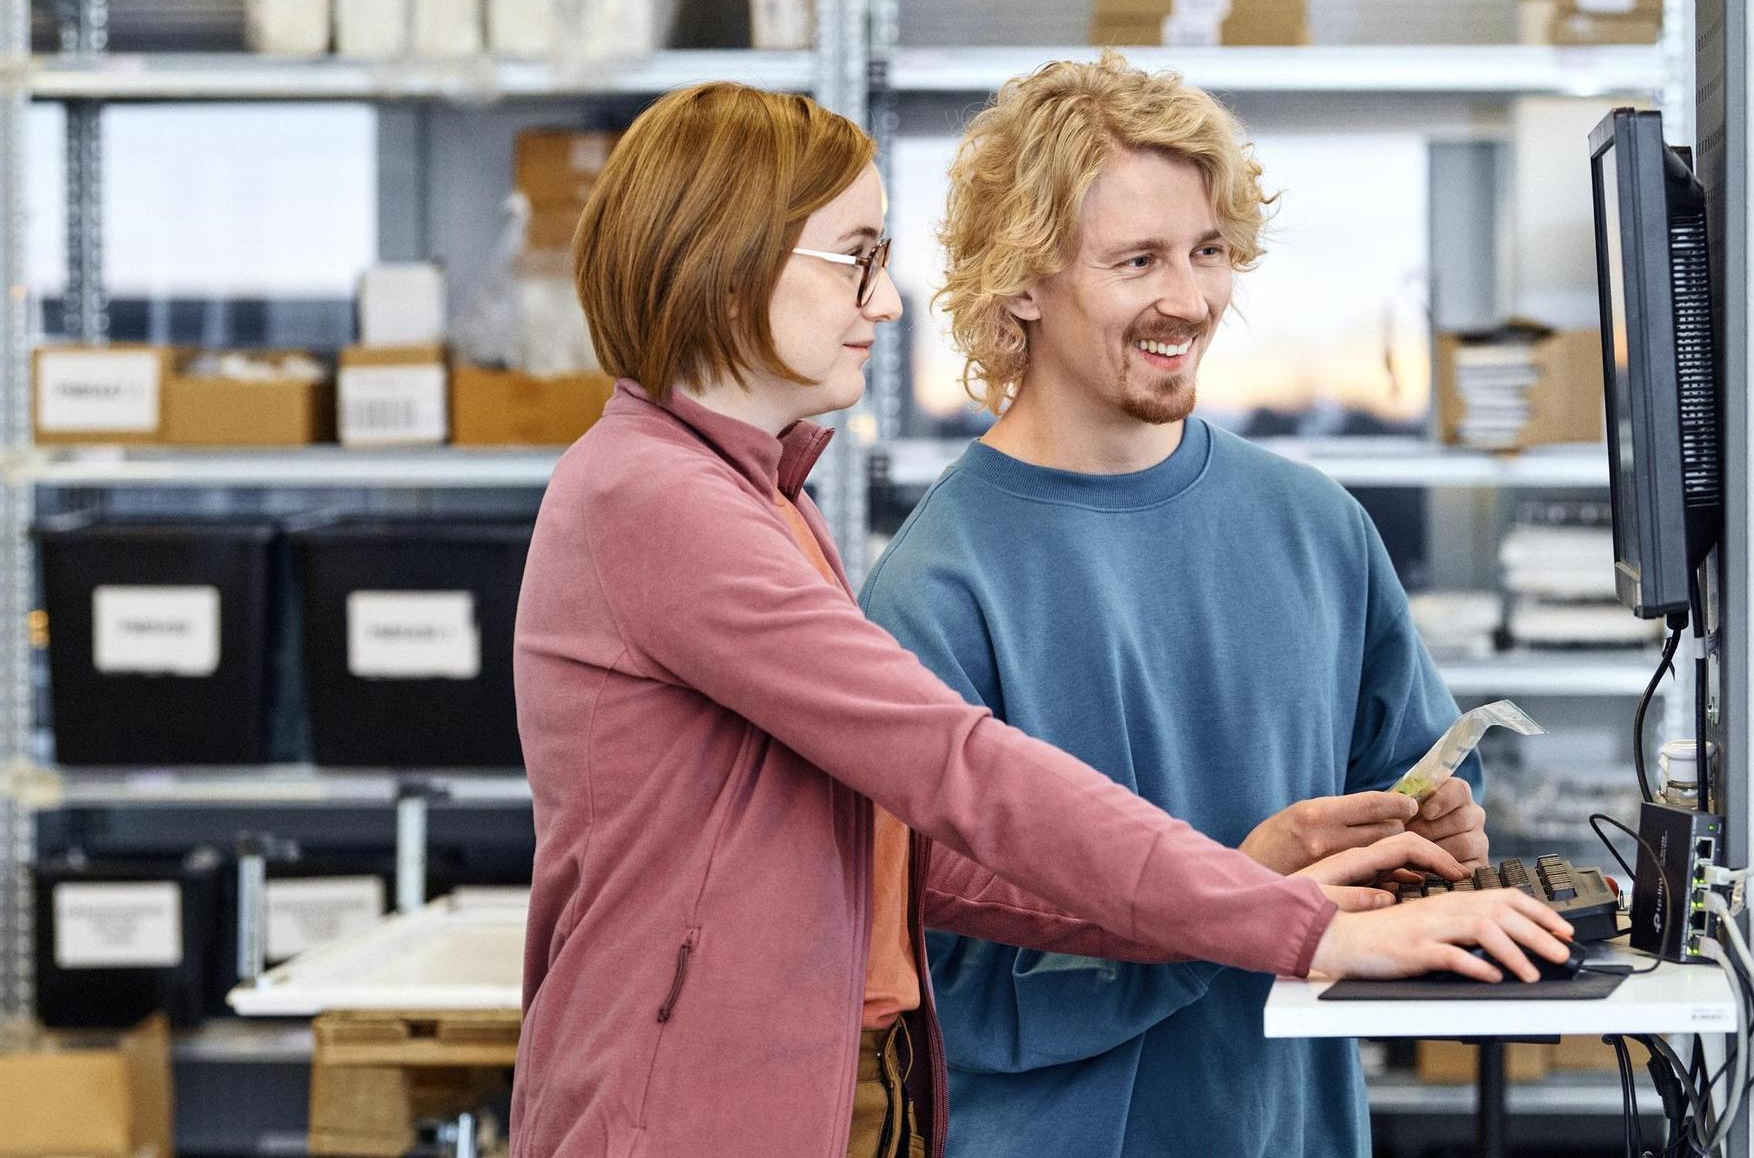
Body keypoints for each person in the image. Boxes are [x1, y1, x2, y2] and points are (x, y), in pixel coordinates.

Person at [510, 80, 1573, 1158]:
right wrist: (1302, 925)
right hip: (681, 1116)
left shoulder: (761, 500)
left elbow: (915, 852)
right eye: (856, 259)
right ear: (723, 261)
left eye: (1207, 252)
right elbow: (958, 770)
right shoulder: (661, 506)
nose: (884, 304)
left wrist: (1252, 882)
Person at [860, 53, 1515, 1158]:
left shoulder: (1314, 526)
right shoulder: (935, 591)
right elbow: (937, 968)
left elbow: (1414, 770)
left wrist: (1433, 829)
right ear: (1022, 280)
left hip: (1289, 1124)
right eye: (1137, 260)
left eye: (1207, 251)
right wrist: (1232, 898)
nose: (1189, 300)